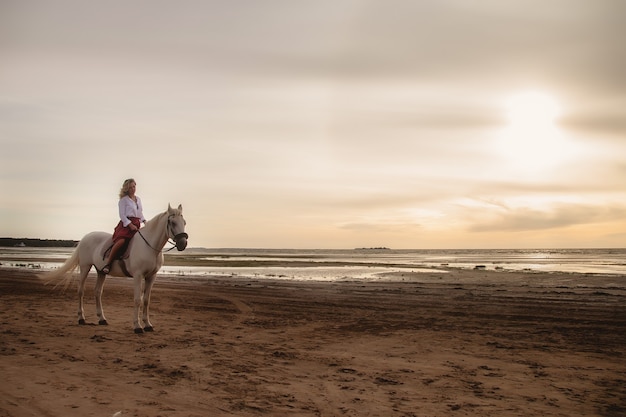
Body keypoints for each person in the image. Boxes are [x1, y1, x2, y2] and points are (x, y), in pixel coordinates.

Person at [102, 178, 146, 274]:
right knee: (121, 241)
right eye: (130, 187)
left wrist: (145, 221)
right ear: (126, 189)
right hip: (126, 225)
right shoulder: (123, 200)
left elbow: (140, 213)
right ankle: (108, 263)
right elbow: (122, 215)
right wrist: (130, 225)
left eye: (134, 187)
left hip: (136, 223)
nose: (133, 189)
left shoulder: (138, 199)